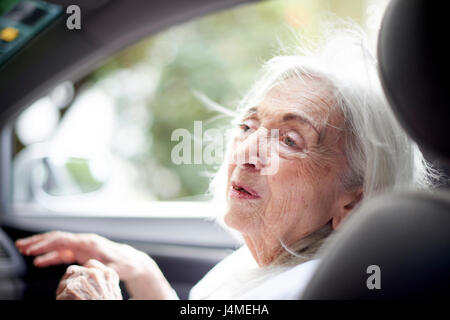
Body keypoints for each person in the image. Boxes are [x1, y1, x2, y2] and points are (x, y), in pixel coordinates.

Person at [15, 26, 437, 300]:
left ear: (352, 204)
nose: (248, 151)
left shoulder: (310, 286)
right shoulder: (273, 258)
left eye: (291, 140)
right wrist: (145, 276)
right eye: (249, 125)